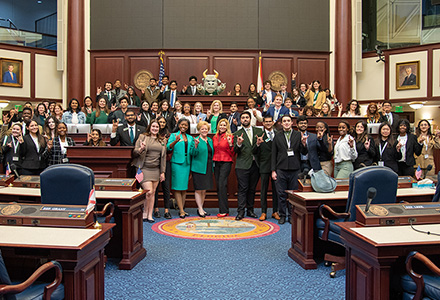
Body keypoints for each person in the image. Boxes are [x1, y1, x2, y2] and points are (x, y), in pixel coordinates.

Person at [271, 115, 308, 224]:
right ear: (281, 124)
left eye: (288, 121)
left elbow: (304, 152)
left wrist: (304, 144)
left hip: (295, 168)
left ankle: (292, 215)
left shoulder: (298, 135)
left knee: (293, 195)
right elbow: (273, 154)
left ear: (292, 123)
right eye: (284, 121)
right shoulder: (277, 136)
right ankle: (282, 215)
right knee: (281, 194)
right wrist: (273, 170)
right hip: (281, 169)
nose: (286, 123)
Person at [133, 120, 166, 223]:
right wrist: (141, 149)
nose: (155, 128)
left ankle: (149, 214)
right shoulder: (143, 137)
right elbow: (135, 152)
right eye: (153, 126)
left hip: (156, 169)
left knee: (153, 193)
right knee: (148, 192)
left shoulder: (162, 140)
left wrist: (162, 172)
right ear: (149, 127)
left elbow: (163, 158)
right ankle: (144, 212)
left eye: (157, 127)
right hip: (143, 168)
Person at [233, 111, 263, 220]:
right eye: (243, 118)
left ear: (250, 119)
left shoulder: (259, 131)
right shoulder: (237, 134)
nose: (245, 119)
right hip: (242, 165)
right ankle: (240, 212)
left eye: (247, 117)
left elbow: (262, 148)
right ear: (240, 120)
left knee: (252, 189)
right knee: (242, 189)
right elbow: (235, 150)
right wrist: (239, 144)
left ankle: (250, 210)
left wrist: (259, 144)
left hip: (256, 164)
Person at [252, 116, 279, 221]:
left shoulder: (278, 134)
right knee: (263, 190)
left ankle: (275, 211)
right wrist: (258, 144)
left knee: (276, 190)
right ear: (263, 123)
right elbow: (254, 152)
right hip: (264, 166)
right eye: (266, 122)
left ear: (273, 122)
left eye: (270, 122)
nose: (268, 123)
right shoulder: (259, 135)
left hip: (276, 166)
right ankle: (263, 212)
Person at [167, 118, 195, 218]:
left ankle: (181, 209)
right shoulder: (173, 135)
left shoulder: (190, 137)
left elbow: (192, 152)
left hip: (187, 164)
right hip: (177, 164)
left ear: (188, 127)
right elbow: (168, 147)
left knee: (184, 188)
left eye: (186, 125)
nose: (183, 127)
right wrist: (175, 141)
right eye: (182, 125)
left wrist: (196, 146)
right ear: (178, 125)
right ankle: (181, 210)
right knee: (178, 188)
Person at [213, 118, 235, 218]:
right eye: (221, 125)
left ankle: (224, 210)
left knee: (222, 185)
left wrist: (230, 144)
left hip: (226, 162)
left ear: (227, 127)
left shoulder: (230, 136)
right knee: (218, 185)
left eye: (224, 125)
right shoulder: (215, 136)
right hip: (216, 162)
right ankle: (223, 209)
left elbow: (233, 153)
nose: (222, 127)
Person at [191, 121, 213, 217]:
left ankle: (201, 207)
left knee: (204, 190)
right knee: (198, 189)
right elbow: (192, 153)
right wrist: (196, 145)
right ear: (199, 130)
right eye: (202, 129)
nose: (204, 130)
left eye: (206, 129)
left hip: (208, 167)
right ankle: (199, 208)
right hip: (198, 168)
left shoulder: (210, 140)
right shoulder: (195, 139)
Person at [153, 116, 172, 219]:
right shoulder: (153, 134)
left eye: (163, 122)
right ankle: (155, 209)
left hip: (166, 162)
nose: (161, 124)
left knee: (166, 186)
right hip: (155, 163)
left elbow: (169, 150)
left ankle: (166, 210)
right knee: (155, 187)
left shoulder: (168, 135)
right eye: (159, 122)